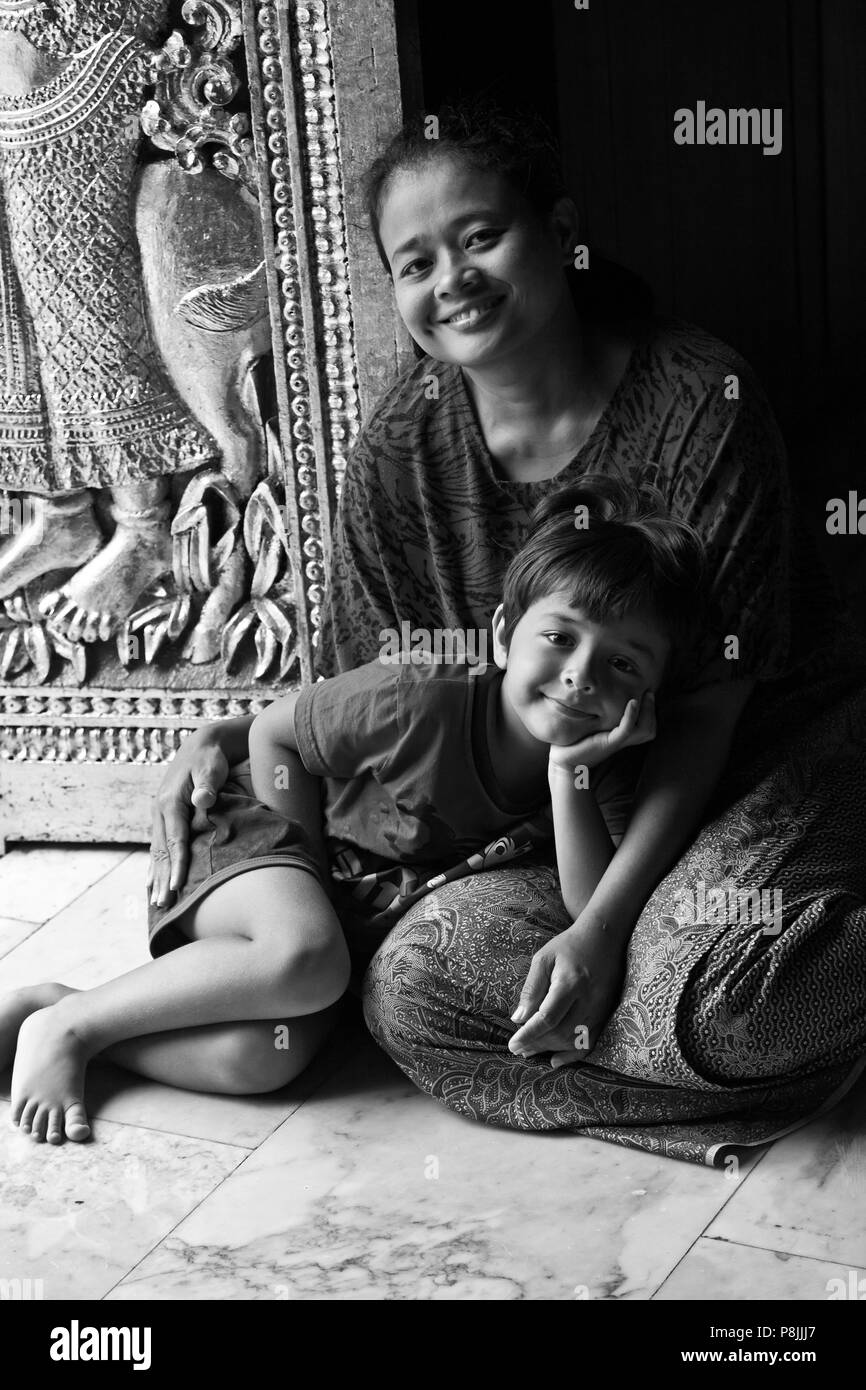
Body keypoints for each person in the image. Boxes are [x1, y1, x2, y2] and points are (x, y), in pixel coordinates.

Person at [147, 101, 866, 1164]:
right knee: (408, 993)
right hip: (564, 817)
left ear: (559, 232)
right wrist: (236, 736)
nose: (454, 279)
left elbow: (707, 716)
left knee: (729, 998)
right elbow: (367, 688)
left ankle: (738, 1022)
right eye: (415, 261)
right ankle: (725, 1077)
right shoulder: (401, 448)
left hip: (754, 773)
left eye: (481, 236)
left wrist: (602, 929)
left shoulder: (697, 402)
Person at [0, 476, 704, 1143]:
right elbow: (277, 737)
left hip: (320, 923)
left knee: (263, 1059)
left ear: (652, 693)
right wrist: (303, 881)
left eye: (623, 665)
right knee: (306, 955)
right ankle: (74, 1029)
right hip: (246, 829)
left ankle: (58, 1005)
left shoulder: (600, 771)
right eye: (560, 637)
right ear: (502, 636)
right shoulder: (418, 700)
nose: (581, 674)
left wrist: (567, 772)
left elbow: (591, 915)